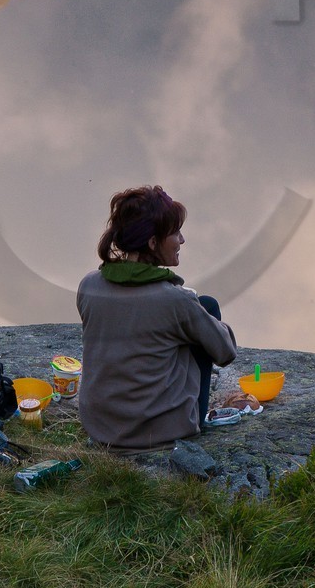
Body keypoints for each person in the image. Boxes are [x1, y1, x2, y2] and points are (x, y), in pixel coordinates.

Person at [76, 185, 239, 450]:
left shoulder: (89, 286)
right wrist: (196, 313)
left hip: (101, 428)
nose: (182, 240)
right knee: (207, 305)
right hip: (158, 431)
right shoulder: (175, 300)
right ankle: (197, 420)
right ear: (152, 243)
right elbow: (225, 352)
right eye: (175, 232)